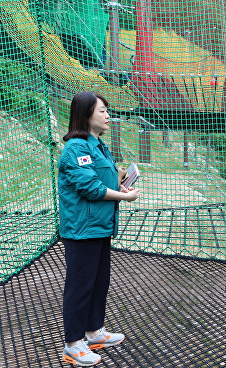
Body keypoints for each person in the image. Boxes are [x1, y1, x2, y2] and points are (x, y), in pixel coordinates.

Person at [58, 91, 141, 366]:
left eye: (108, 110)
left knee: (98, 283)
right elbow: (90, 188)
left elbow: (103, 180)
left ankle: (93, 332)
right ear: (86, 114)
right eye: (102, 110)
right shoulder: (76, 147)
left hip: (101, 227)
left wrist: (119, 186)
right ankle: (73, 344)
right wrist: (125, 197)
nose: (108, 115)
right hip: (82, 229)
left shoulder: (99, 145)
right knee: (81, 285)